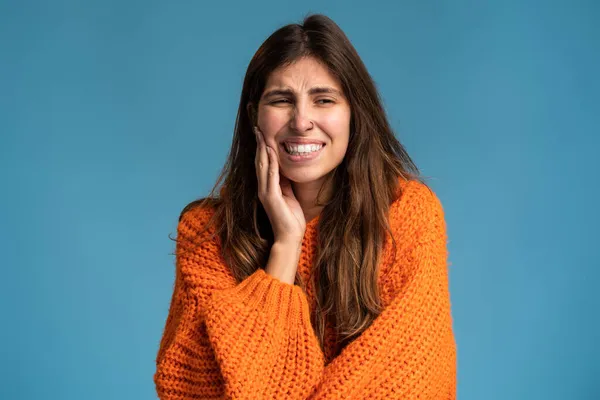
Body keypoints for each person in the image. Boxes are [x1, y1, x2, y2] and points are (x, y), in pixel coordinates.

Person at [154, 13, 456, 399]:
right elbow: (190, 390)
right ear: (254, 117)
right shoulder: (206, 234)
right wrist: (285, 245)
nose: (301, 121)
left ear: (354, 115)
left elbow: (413, 385)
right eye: (281, 100)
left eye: (324, 99)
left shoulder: (406, 215)